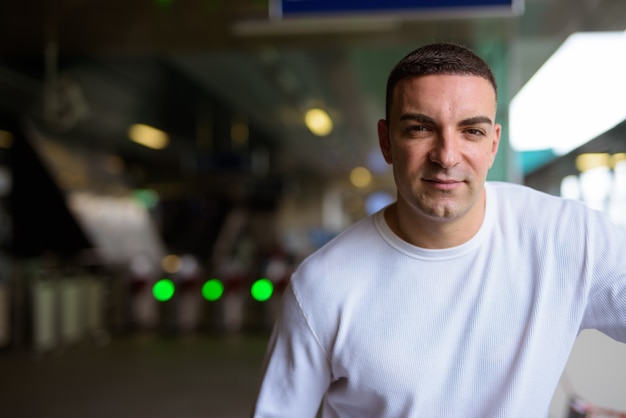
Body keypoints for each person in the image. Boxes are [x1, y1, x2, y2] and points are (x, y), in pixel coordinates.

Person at [249, 42, 626, 417]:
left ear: (493, 144)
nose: (446, 156)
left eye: (471, 132)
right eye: (420, 128)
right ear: (386, 142)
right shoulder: (322, 286)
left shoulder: (570, 238)